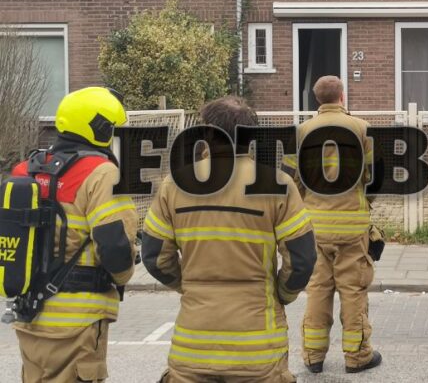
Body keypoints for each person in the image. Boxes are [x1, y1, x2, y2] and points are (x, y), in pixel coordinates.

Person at [142, 96, 316, 383]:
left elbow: (154, 256)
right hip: (258, 351)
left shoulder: (174, 185)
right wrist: (281, 294)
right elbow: (302, 259)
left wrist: (189, 286)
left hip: (193, 349)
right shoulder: (276, 185)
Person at [11, 86, 138, 383]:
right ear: (101, 129)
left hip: (30, 318)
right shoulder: (101, 173)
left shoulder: (23, 171)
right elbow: (115, 248)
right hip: (77, 323)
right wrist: (123, 275)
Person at [284, 75, 382, 374]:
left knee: (318, 289)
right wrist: (365, 202)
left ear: (318, 100)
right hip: (352, 227)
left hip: (314, 227)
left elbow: (290, 180)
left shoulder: (300, 133)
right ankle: (357, 357)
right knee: (353, 291)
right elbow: (375, 176)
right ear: (342, 96)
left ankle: (313, 356)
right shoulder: (363, 129)